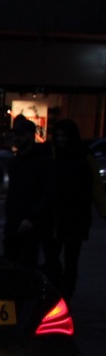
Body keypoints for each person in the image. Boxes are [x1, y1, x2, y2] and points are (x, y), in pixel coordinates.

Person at [43, 118, 106, 297]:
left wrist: (103, 211)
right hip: (55, 217)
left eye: (65, 136)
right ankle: (60, 289)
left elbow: (96, 188)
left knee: (71, 260)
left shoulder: (84, 157)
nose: (61, 139)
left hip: (75, 217)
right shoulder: (52, 155)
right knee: (53, 258)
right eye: (58, 135)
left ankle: (66, 293)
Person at [3, 115, 56, 269]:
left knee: (27, 264)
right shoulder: (17, 161)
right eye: (16, 134)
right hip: (15, 222)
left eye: (21, 134)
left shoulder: (42, 161)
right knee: (12, 263)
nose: (17, 138)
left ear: (31, 135)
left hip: (31, 224)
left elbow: (48, 193)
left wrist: (31, 217)